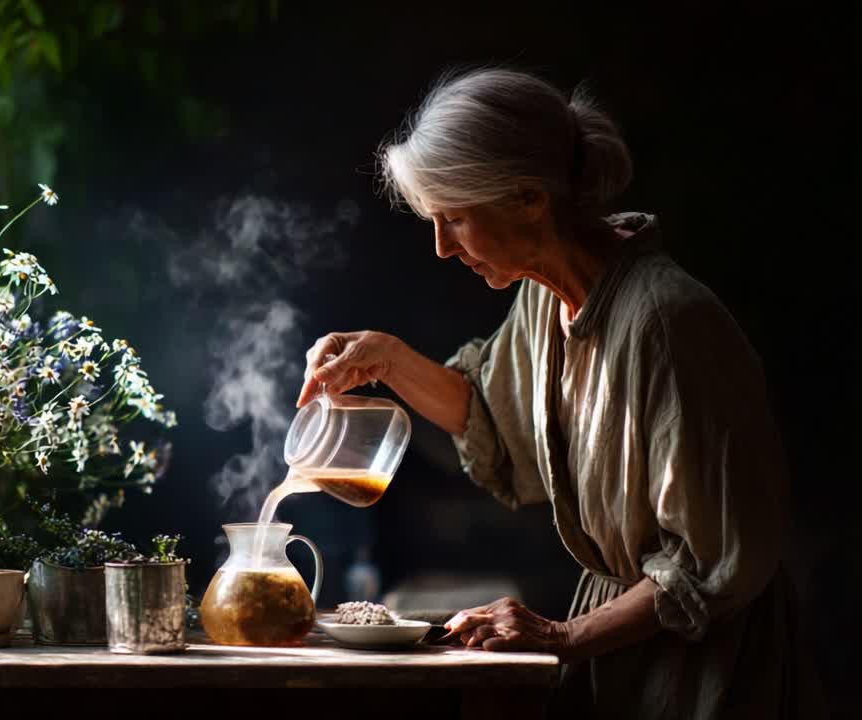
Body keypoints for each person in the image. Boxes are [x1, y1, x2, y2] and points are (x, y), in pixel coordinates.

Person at [298, 68, 823, 718]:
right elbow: (495, 418)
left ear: (527, 197)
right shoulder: (544, 302)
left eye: (455, 218)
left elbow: (709, 560)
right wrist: (389, 360)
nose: (440, 248)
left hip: (704, 663)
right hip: (619, 642)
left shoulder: (668, 322)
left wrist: (561, 636)